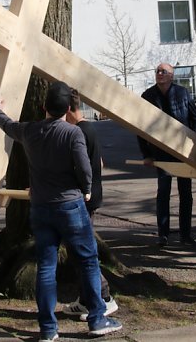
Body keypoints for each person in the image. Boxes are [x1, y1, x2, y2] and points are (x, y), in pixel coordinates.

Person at [0, 81, 122, 341]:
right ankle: (97, 319)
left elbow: (7, 125)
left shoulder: (30, 131)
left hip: (40, 207)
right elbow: (85, 170)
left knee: (46, 267)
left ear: (43, 107)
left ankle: (48, 329)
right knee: (87, 262)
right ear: (68, 109)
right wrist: (85, 189)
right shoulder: (73, 134)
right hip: (70, 206)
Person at [63, 89, 119, 320]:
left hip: (83, 200)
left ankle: (104, 297)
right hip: (90, 197)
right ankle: (86, 299)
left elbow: (83, 167)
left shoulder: (78, 132)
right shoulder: (90, 129)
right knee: (79, 251)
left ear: (67, 110)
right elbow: (101, 163)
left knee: (82, 253)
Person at [138, 62, 196, 246]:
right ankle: (163, 234)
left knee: (185, 193)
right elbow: (141, 129)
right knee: (163, 192)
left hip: (183, 151)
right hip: (160, 152)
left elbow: (195, 120)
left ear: (172, 75)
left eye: (163, 71)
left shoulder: (182, 93)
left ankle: (185, 234)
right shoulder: (147, 96)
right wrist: (146, 154)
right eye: (157, 71)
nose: (159, 74)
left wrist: (195, 148)